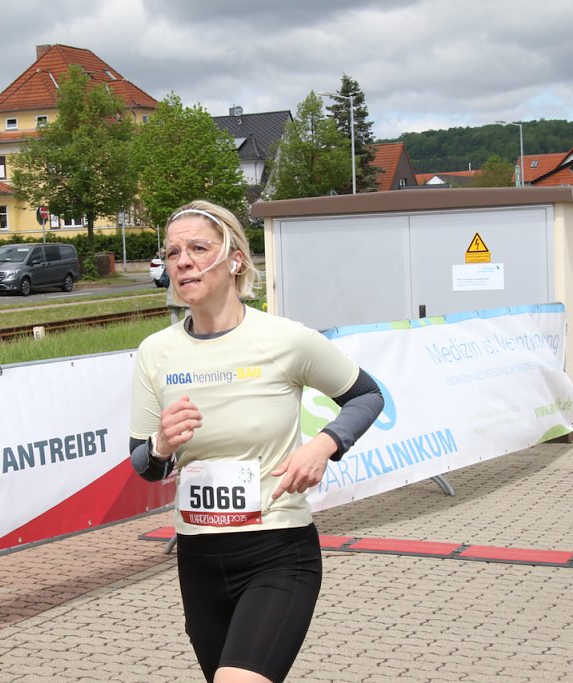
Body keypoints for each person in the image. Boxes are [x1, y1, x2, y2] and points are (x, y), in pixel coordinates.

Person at [129, 200, 383, 683]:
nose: (183, 262)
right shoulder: (155, 352)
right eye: (173, 252)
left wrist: (325, 444)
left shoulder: (286, 338)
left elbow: (367, 395)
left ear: (235, 259)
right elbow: (143, 465)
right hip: (198, 560)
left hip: (277, 552)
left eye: (198, 248)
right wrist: (161, 445)